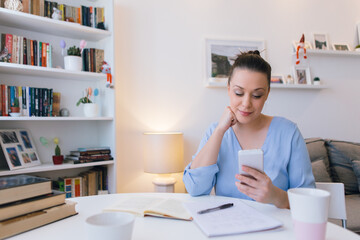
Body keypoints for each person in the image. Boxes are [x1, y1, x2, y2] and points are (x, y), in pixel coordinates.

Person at [183, 51, 315, 209]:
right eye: (239, 93)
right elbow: (195, 189)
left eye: (257, 95)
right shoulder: (215, 132)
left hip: (278, 231)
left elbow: (310, 203)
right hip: (227, 229)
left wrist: (276, 196)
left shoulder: (288, 133)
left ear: (267, 94)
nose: (246, 103)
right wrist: (219, 131)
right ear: (228, 89)